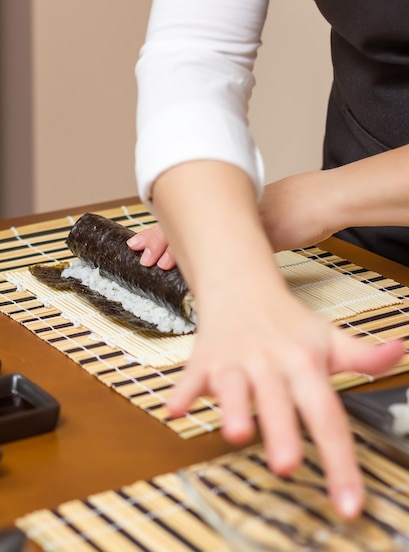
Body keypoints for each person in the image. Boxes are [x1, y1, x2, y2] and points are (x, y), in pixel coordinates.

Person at [128, 0, 409, 519]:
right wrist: (234, 273)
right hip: (368, 258)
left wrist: (324, 198)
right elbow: (197, 52)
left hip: (348, 199)